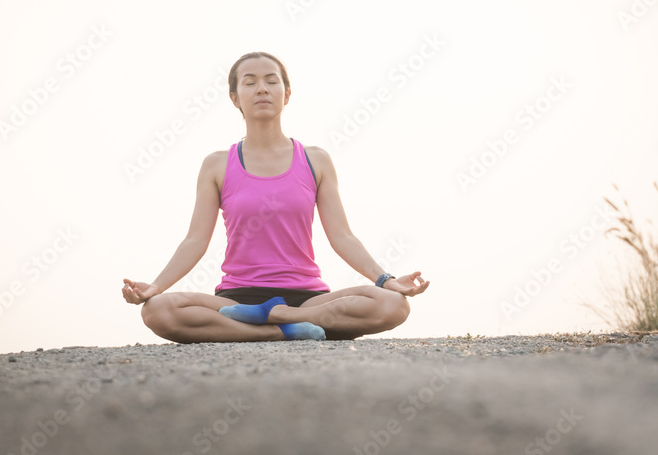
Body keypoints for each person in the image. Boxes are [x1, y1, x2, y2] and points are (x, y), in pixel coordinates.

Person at [122, 51, 429, 343]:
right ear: (234, 98)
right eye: (250, 82)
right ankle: (282, 331)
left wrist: (386, 280)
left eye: (271, 80)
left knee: (393, 305)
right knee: (157, 310)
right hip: (237, 298)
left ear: (287, 93)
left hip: (309, 298)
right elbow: (194, 241)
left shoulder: (315, 160)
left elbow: (343, 236)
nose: (262, 89)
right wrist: (156, 287)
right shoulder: (216, 164)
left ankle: (280, 316)